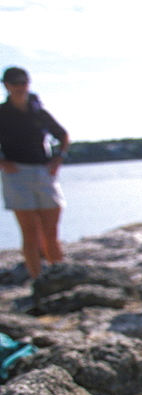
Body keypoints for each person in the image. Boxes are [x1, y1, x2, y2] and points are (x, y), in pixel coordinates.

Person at [0, 67, 69, 279]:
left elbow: (63, 135)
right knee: (30, 234)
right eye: (14, 82)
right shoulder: (2, 113)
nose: (20, 86)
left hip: (42, 171)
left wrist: (58, 158)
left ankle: (58, 276)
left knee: (51, 233)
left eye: (23, 82)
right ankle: (38, 281)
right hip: (16, 175)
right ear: (6, 85)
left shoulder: (38, 111)